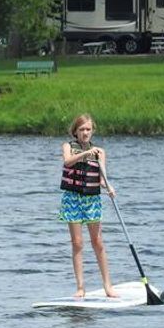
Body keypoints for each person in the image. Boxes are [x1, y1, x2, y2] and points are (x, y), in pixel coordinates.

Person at [59, 114, 119, 299]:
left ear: (92, 131)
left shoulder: (99, 152)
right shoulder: (68, 146)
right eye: (82, 129)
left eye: (88, 129)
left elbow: (101, 178)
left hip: (92, 199)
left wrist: (108, 187)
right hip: (72, 198)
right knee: (77, 243)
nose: (85, 133)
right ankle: (80, 287)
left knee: (98, 242)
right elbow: (68, 161)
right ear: (75, 131)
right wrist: (85, 154)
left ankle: (108, 286)